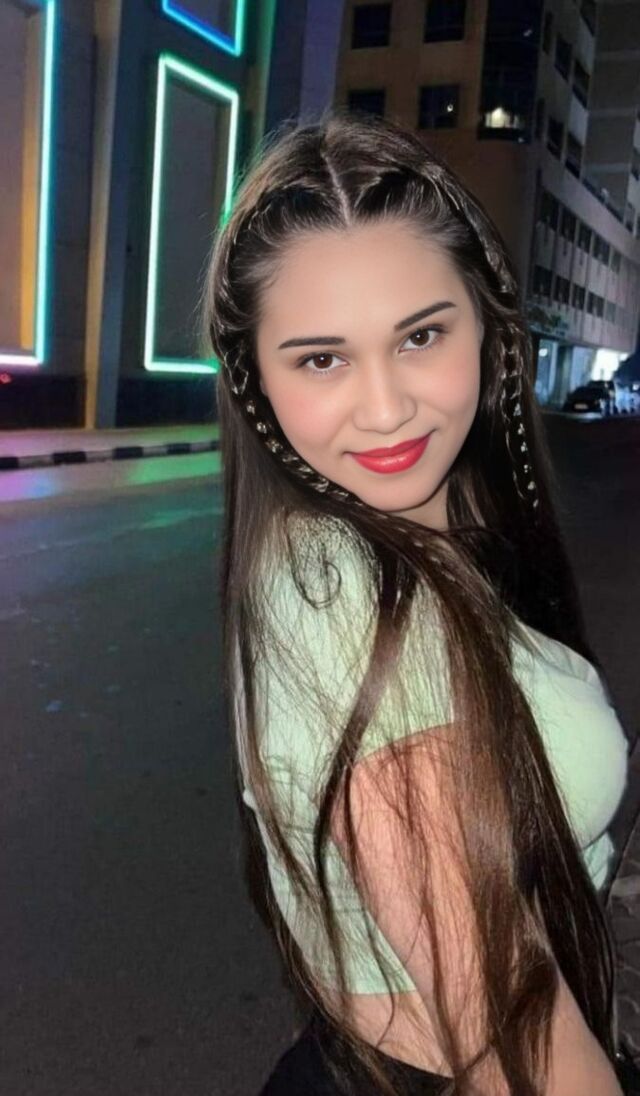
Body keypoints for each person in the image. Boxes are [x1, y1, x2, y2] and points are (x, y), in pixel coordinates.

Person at [205, 110, 633, 1094]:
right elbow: (510, 1028)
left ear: (486, 325)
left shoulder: (446, 534)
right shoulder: (337, 588)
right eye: (321, 358)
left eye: (421, 336)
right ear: (256, 380)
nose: (387, 407)